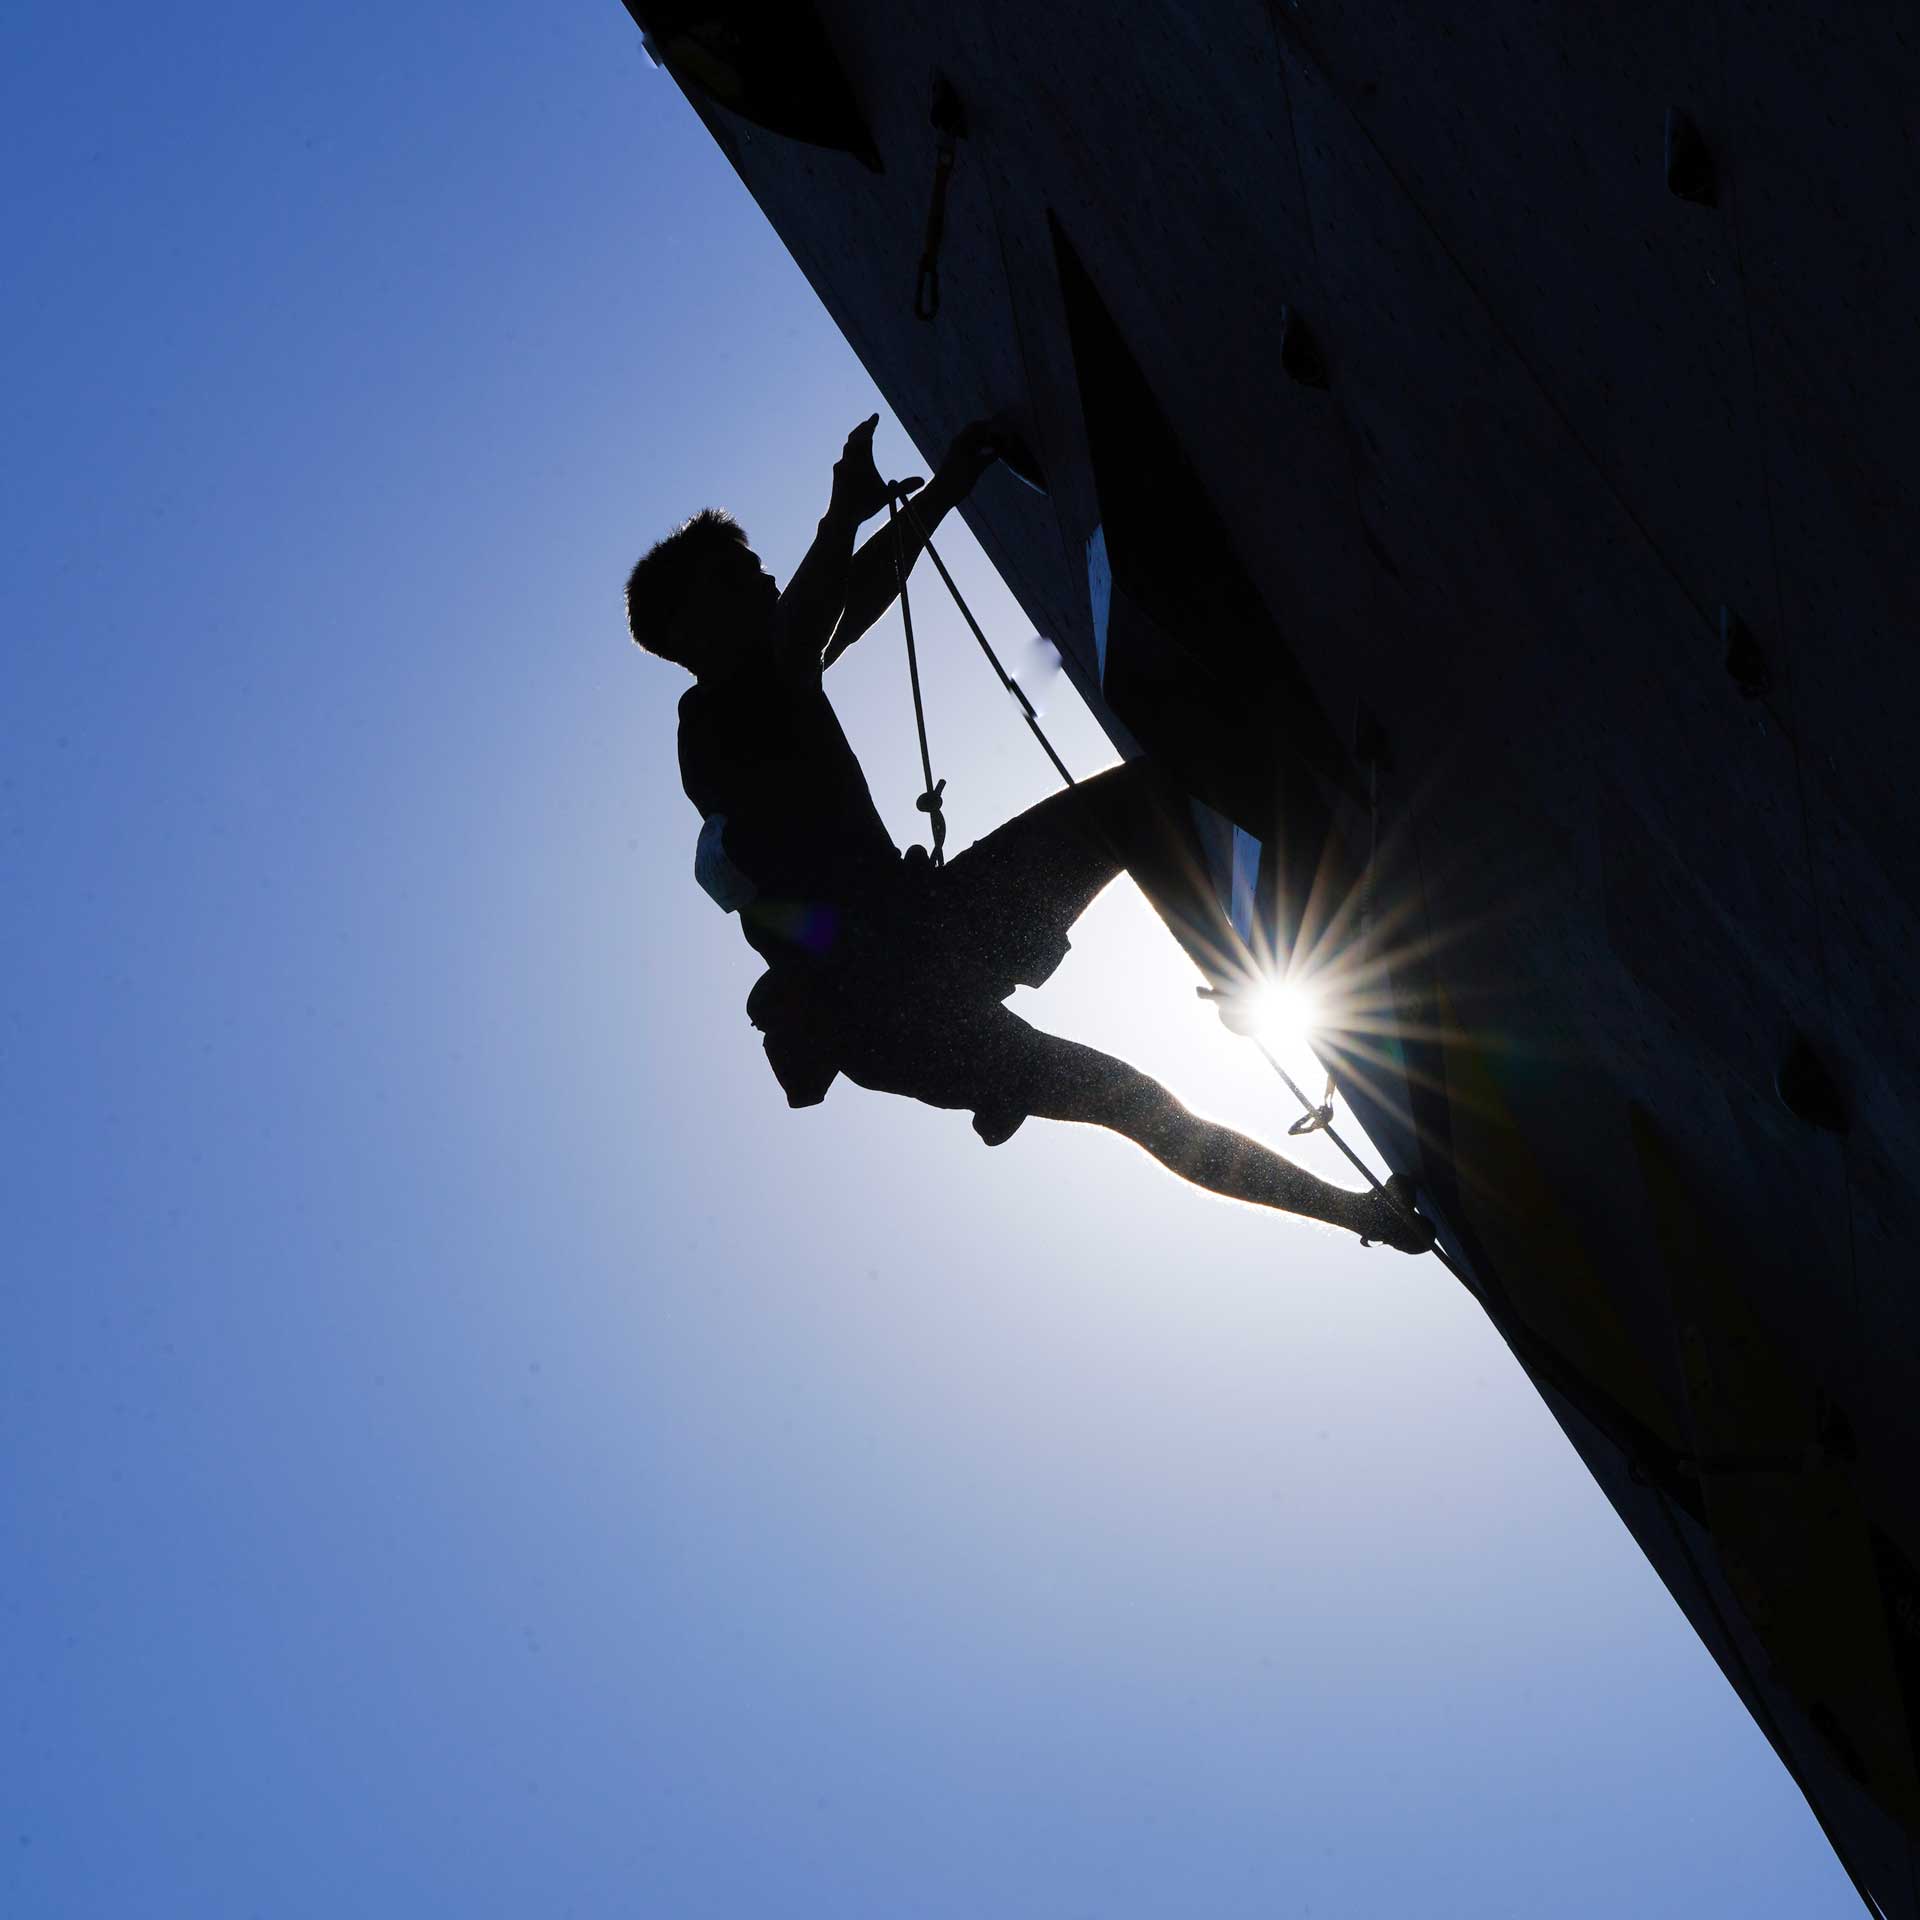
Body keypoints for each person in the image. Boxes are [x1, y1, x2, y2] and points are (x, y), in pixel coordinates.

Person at [625, 413, 1432, 1251]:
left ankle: (1243, 983)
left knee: (1139, 818)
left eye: (759, 569)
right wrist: (842, 516)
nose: (763, 582)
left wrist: (947, 489)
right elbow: (808, 628)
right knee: (1130, 1097)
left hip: (934, 933)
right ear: (687, 629)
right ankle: (1353, 1204)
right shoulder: (714, 725)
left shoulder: (777, 677)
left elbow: (845, 605)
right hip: (888, 1008)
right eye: (738, 576)